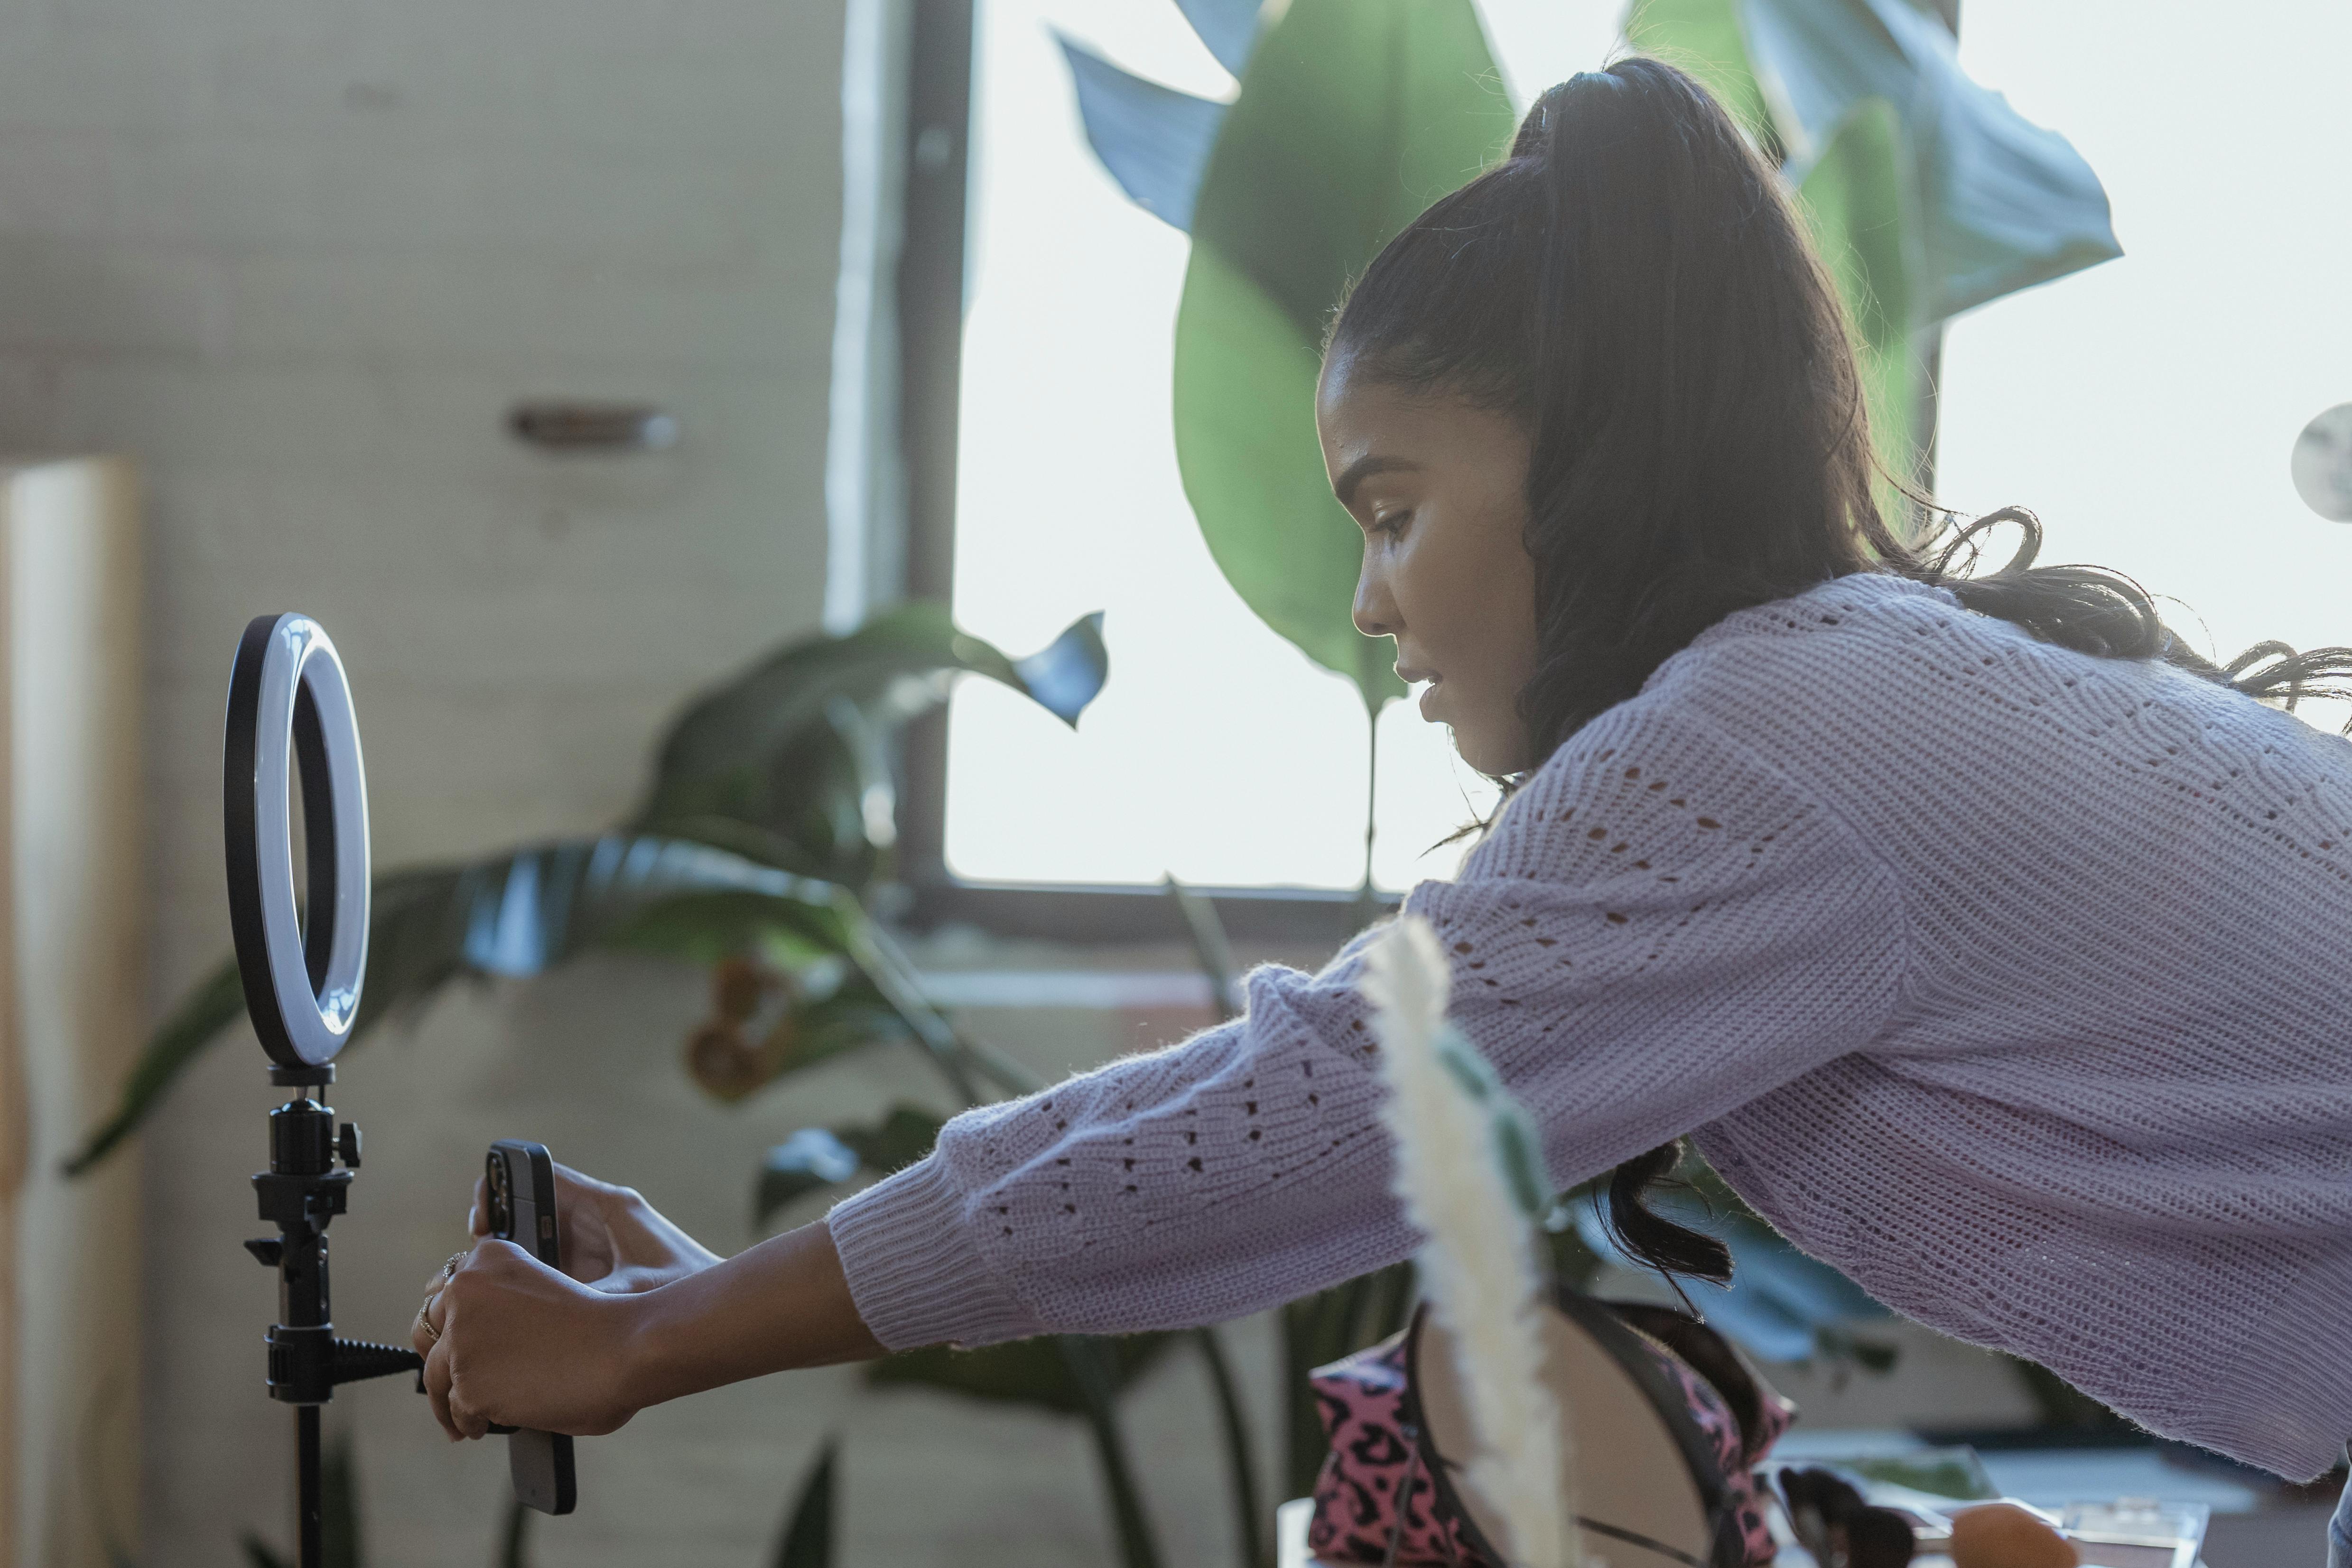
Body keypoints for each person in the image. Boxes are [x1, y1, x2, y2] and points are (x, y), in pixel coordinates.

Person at [411, 57, 2352, 1560]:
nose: (1371, 600)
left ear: (1581, 467)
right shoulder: (1883, 675)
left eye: (1395, 505)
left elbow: (1271, 1116)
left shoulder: (1756, 738)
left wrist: (656, 1340)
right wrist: (697, 1292)